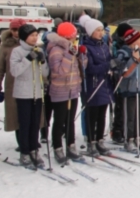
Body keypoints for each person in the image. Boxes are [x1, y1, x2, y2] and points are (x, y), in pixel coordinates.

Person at [47, 22, 88, 164]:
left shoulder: (71, 48)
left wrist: (82, 55)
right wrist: (70, 55)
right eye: (72, 36)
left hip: (73, 88)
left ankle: (71, 146)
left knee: (70, 120)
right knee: (59, 121)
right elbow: (59, 71)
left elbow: (81, 67)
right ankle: (58, 148)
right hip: (60, 90)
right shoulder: (56, 49)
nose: (74, 39)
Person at [9, 24, 49, 168]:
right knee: (25, 124)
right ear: (24, 37)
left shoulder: (39, 50)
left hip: (37, 93)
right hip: (23, 93)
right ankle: (24, 152)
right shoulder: (17, 51)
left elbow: (45, 73)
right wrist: (28, 59)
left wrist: (43, 61)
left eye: (36, 35)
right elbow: (15, 71)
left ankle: (34, 149)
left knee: (35, 124)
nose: (35, 37)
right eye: (32, 35)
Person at [79, 16, 113, 156]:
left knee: (102, 115)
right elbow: (90, 69)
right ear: (90, 32)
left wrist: (114, 66)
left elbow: (110, 62)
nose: (101, 33)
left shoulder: (104, 46)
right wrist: (107, 66)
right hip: (93, 85)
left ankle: (99, 140)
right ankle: (91, 142)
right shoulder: (86, 47)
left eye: (102, 30)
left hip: (105, 84)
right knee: (92, 115)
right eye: (98, 30)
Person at [114, 29, 140, 151]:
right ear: (132, 41)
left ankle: (137, 137)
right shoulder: (123, 53)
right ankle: (128, 139)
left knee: (139, 116)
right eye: (139, 39)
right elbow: (124, 73)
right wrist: (133, 60)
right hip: (129, 90)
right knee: (130, 116)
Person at [0, 18, 25, 148]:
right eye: (14, 29)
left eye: (19, 29)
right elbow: (0, 68)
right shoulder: (6, 46)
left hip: (30, 85)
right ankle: (21, 142)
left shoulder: (30, 43)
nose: (16, 32)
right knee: (16, 115)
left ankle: (30, 141)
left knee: (29, 115)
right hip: (13, 85)